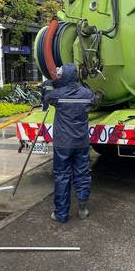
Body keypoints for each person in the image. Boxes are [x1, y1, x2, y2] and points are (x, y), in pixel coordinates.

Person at [42, 63, 97, 223]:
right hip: (81, 143)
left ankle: (61, 214)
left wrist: (52, 83)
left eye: (60, 74)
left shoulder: (57, 95)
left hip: (63, 144)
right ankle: (83, 209)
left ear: (64, 77)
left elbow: (47, 98)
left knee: (62, 176)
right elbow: (95, 101)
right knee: (82, 174)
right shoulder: (86, 94)